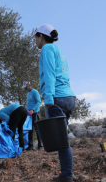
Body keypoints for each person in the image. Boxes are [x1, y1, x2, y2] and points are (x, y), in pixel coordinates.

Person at [35, 24, 75, 182]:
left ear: (41, 37)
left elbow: (50, 73)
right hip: (69, 98)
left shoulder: (46, 49)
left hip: (56, 98)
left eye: (36, 38)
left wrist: (49, 98)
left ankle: (67, 176)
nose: (35, 41)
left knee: (61, 141)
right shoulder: (60, 52)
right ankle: (66, 173)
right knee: (63, 139)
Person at [21, 81, 43, 151]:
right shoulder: (28, 93)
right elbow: (29, 103)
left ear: (29, 85)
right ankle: (30, 146)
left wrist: (33, 109)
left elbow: (39, 102)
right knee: (30, 129)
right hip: (29, 114)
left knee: (37, 129)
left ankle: (40, 146)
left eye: (26, 87)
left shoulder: (35, 92)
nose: (25, 89)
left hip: (35, 112)